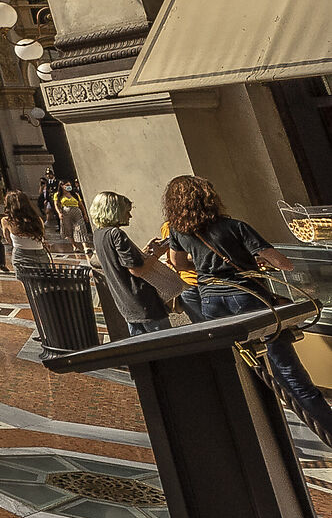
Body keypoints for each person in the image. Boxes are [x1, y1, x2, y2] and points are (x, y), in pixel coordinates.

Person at [161, 176, 332, 444]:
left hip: (212, 303)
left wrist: (209, 272)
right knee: (286, 367)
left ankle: (260, 435)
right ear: (209, 198)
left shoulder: (178, 232)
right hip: (249, 298)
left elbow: (178, 263)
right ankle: (326, 427)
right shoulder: (235, 227)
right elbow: (284, 263)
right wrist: (255, 264)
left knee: (240, 365)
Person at [88, 193, 173, 334]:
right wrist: (158, 253)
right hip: (144, 303)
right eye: (127, 211)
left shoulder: (99, 234)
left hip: (126, 304)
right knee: (167, 345)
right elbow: (137, 270)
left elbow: (118, 261)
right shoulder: (116, 234)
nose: (130, 216)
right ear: (115, 211)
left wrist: (144, 250)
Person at [0, 190, 50, 274]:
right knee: (43, 282)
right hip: (40, 254)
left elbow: (8, 239)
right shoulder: (37, 219)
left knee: (27, 283)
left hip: (20, 254)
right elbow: (42, 236)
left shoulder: (7, 221)